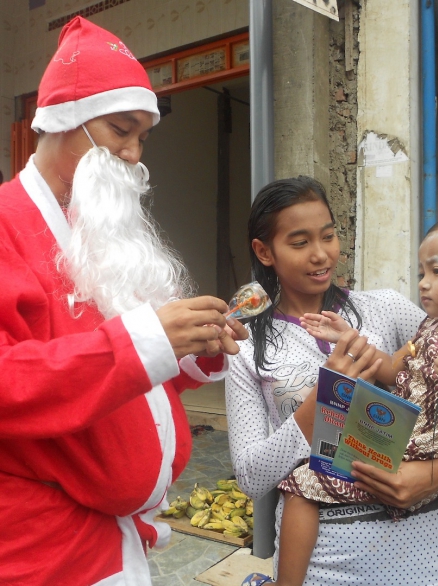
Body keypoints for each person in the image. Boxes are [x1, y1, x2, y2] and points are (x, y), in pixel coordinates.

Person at [0, 16, 247, 586]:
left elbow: (127, 366)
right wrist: (144, 343)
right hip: (40, 550)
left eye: (143, 136)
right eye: (120, 131)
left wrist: (189, 350)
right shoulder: (7, 225)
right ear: (66, 123)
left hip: (112, 538)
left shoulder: (96, 229)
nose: (135, 154)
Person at [225, 176, 438, 586]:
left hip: (422, 548)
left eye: (328, 236)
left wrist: (436, 473)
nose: (321, 254)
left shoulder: (385, 310)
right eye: (299, 242)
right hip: (319, 560)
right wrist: (321, 402)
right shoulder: (251, 350)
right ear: (263, 251)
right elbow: (252, 477)